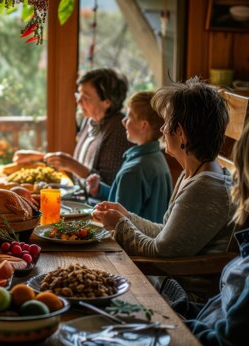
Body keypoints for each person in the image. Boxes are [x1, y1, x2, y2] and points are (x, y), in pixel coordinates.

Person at [92, 77, 234, 297]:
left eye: (166, 122)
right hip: (168, 280)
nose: (163, 129)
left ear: (181, 134)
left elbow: (160, 252)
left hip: (181, 296)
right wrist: (127, 216)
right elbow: (167, 237)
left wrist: (120, 225)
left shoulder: (205, 188)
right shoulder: (194, 173)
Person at [184, 113, 249, 346]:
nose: (235, 175)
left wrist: (160, 322)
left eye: (242, 165)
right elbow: (217, 311)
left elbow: (222, 343)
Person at [86, 91, 173, 223]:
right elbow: (129, 197)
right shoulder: (157, 158)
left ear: (143, 125)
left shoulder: (134, 170)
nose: (123, 121)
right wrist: (100, 189)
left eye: (129, 116)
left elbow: (119, 221)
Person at [42, 68, 133, 184]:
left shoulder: (119, 130)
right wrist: (41, 157)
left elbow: (107, 185)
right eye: (78, 94)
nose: (78, 101)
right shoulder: (89, 120)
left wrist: (72, 165)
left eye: (85, 97)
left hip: (97, 202)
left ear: (107, 102)